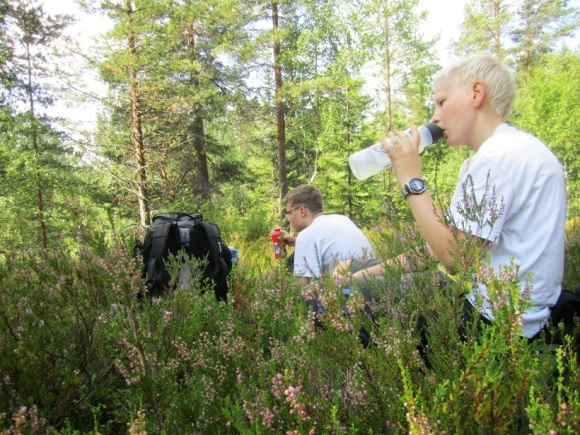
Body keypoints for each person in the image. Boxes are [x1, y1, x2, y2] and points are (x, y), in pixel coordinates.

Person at [340, 53, 566, 341]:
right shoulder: (518, 148)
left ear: (476, 93)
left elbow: (454, 259)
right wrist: (366, 273)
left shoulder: (495, 159)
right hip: (521, 317)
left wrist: (412, 181)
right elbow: (440, 248)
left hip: (492, 322)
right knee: (360, 275)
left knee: (342, 301)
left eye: (441, 101)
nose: (434, 116)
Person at [277, 184, 376, 285]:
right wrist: (296, 242)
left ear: (302, 211)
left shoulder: (307, 235)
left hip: (348, 290)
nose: (288, 218)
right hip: (376, 281)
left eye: (289, 213)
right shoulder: (342, 219)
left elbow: (302, 286)